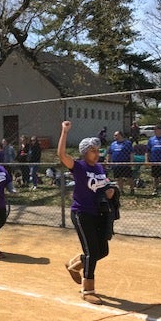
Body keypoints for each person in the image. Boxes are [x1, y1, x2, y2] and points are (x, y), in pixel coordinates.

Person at [58, 121, 115, 305]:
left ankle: (74, 265)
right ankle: (87, 289)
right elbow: (61, 155)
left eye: (98, 151)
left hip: (98, 213)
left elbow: (104, 185)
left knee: (102, 251)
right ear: (85, 152)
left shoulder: (99, 168)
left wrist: (110, 191)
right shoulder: (79, 167)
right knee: (91, 252)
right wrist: (64, 132)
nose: (97, 154)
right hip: (81, 213)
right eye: (93, 151)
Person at [107, 130, 134, 195]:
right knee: (119, 178)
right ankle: (121, 190)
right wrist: (108, 162)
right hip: (116, 164)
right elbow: (109, 153)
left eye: (116, 135)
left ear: (120, 135)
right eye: (114, 135)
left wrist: (131, 162)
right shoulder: (113, 144)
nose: (114, 136)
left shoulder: (127, 143)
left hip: (126, 164)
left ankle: (132, 189)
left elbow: (131, 153)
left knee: (129, 177)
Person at [145, 124, 161, 195]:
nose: (155, 131)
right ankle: (155, 189)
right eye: (154, 130)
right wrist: (147, 160)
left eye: (157, 130)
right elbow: (147, 151)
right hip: (154, 160)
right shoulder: (151, 139)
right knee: (155, 176)